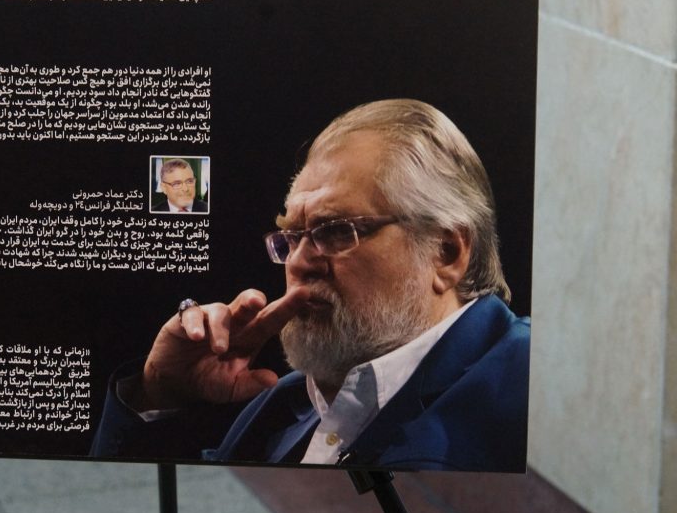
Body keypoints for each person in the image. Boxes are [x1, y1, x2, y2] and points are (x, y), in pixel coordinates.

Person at [93, 99, 530, 471]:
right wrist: (159, 393)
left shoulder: (533, 384)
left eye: (336, 231)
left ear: (446, 252)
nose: (299, 262)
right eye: (291, 237)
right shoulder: (279, 406)